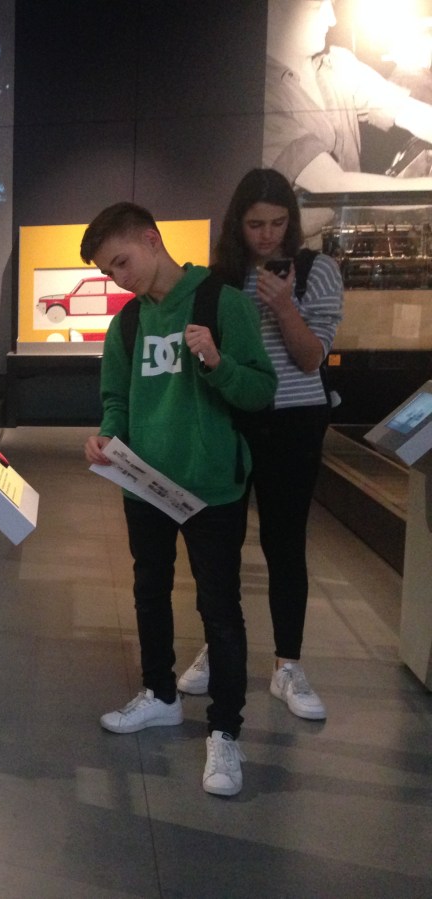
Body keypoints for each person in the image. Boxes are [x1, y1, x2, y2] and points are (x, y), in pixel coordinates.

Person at [81, 202, 277, 797]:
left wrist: (216, 362)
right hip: (145, 485)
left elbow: (260, 390)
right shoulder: (128, 323)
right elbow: (117, 398)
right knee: (149, 589)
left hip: (212, 486)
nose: (119, 278)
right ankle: (161, 694)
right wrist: (108, 436)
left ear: (151, 239)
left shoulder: (221, 303)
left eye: (121, 262)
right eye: (108, 271)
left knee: (220, 607)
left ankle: (225, 730)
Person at [178, 169, 344, 721]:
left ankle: (287, 663)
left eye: (277, 223)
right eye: (255, 224)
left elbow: (311, 358)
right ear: (237, 223)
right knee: (217, 544)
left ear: (291, 222)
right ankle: (219, 645)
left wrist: (285, 307)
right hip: (232, 416)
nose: (267, 235)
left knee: (285, 544)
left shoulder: (317, 271)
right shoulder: (220, 279)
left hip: (295, 420)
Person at [265, 0, 432, 235]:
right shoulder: (261, 95)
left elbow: (411, 112)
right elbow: (332, 185)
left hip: (349, 238)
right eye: (317, 8)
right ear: (273, 9)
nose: (332, 19)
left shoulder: (337, 65)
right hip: (296, 253)